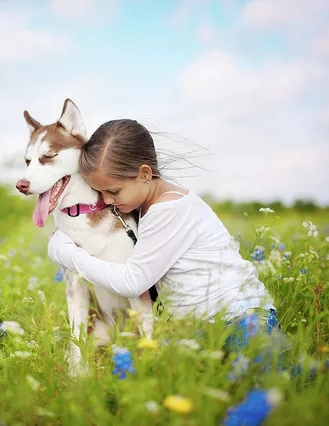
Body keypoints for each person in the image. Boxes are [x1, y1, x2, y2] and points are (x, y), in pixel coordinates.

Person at [47, 118, 285, 357]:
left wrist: (68, 254)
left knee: (275, 383)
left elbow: (133, 283)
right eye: (100, 192)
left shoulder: (169, 208)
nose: (106, 200)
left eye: (114, 191)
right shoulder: (145, 203)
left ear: (145, 174)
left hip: (243, 318)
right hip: (199, 327)